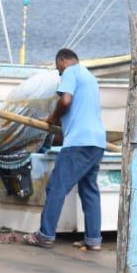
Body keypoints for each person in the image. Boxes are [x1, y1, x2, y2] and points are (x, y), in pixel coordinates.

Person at [24, 48, 106, 252]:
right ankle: (93, 240)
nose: (59, 74)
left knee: (56, 187)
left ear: (63, 61)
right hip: (97, 142)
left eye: (58, 70)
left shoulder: (71, 71)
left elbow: (66, 101)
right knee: (89, 191)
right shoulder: (90, 78)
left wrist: (53, 118)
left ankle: (45, 235)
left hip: (78, 143)